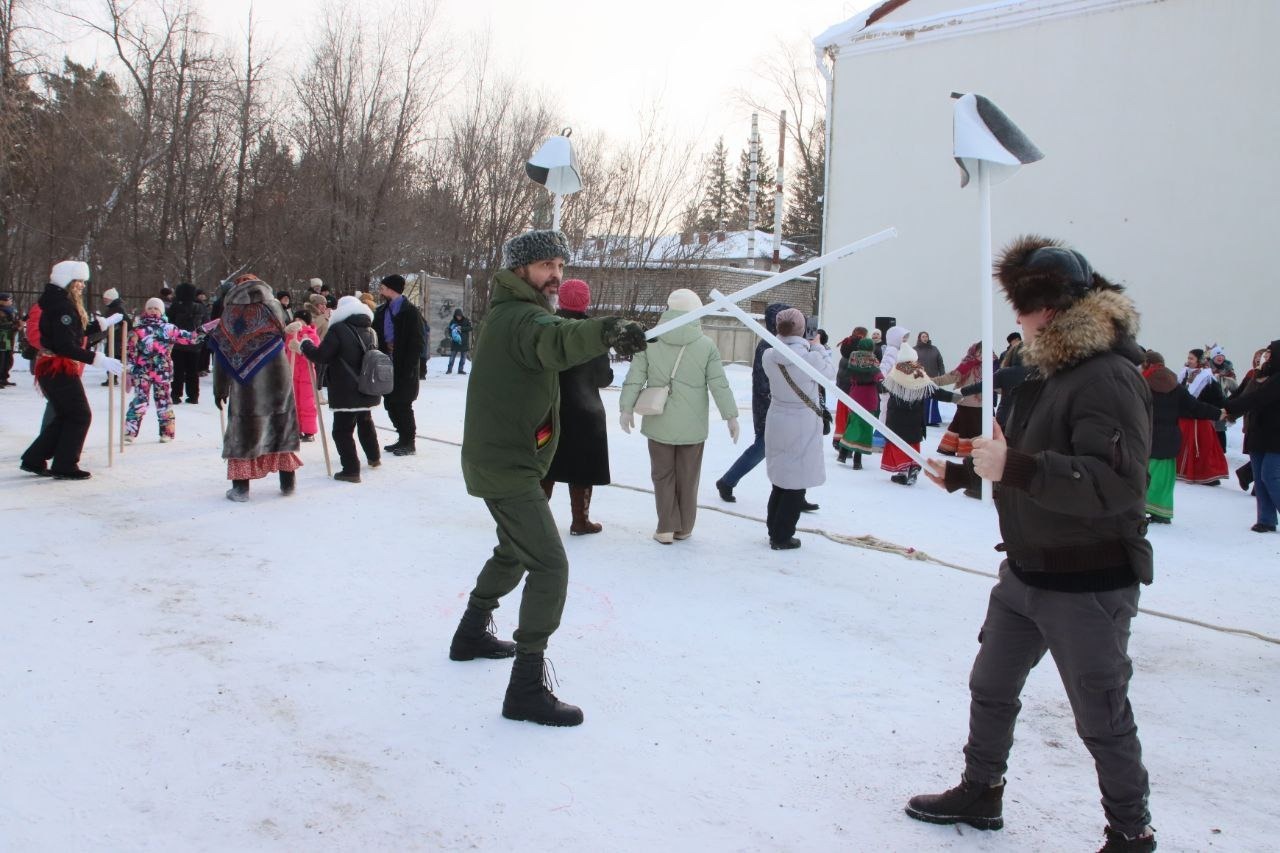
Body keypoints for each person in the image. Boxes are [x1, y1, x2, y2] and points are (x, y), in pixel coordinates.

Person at [908, 236, 1156, 853]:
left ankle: (1131, 832)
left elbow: (1116, 484)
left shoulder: (1106, 377)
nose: (1015, 321)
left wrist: (1012, 466)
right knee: (991, 687)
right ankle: (981, 791)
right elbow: (1023, 455)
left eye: (1020, 309)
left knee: (1101, 717)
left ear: (1045, 308)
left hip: (1088, 583)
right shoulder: (1047, 374)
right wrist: (968, 474)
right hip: (1023, 575)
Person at [450, 229, 646, 727]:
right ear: (520, 270)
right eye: (545, 266)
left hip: (504, 459)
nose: (555, 275)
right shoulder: (523, 318)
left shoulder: (512, 312)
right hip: (507, 465)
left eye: (560, 265)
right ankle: (526, 688)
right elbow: (557, 339)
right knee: (550, 565)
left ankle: (470, 633)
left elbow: (556, 338)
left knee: (515, 550)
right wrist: (606, 330)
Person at [620, 288, 739, 544]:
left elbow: (635, 378)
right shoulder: (706, 345)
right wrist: (731, 416)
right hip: (693, 425)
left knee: (662, 475)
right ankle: (684, 527)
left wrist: (626, 409)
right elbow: (719, 384)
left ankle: (665, 527)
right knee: (688, 476)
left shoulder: (650, 341)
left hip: (658, 419)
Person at [19, 261, 125, 479]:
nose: (82, 286)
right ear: (68, 281)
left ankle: (34, 458)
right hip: (58, 368)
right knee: (79, 415)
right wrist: (98, 359)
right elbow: (65, 345)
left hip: (53, 368)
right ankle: (65, 464)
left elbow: (71, 332)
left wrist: (101, 324)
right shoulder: (62, 307)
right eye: (79, 282)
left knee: (66, 415)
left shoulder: (59, 302)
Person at [209, 275, 302, 501]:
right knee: (281, 426)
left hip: (245, 383)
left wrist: (220, 388)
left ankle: (241, 489)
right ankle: (288, 483)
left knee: (244, 431)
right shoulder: (275, 307)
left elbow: (222, 351)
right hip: (277, 375)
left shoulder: (230, 312)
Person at [540, 279, 612, 535]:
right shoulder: (594, 332)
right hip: (585, 412)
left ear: (560, 299)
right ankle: (580, 521)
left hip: (548, 410)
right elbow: (603, 378)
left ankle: (536, 521)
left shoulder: (547, 326)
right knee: (583, 467)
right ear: (586, 301)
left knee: (545, 465)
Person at [760, 308, 832, 549]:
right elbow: (829, 373)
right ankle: (782, 536)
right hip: (802, 420)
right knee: (796, 482)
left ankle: (774, 529)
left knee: (780, 478)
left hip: (777, 416)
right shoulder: (811, 359)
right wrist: (818, 347)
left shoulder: (769, 355)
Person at [295, 295, 382, 482]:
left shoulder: (338, 330)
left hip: (345, 388)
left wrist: (305, 345)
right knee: (365, 422)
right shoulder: (371, 330)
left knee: (342, 431)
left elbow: (322, 356)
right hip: (367, 386)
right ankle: (374, 457)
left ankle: (351, 470)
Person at [714, 303, 789, 503]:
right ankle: (727, 481)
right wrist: (774, 404)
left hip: (781, 407)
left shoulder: (782, 344)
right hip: (769, 407)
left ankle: (794, 494)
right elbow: (764, 383)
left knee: (790, 450)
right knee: (762, 447)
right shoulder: (768, 346)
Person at [1140, 351, 1221, 524]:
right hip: (1170, 438)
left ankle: (1141, 508)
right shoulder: (1175, 385)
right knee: (1165, 478)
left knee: (1146, 475)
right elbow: (1195, 407)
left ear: (1147, 364)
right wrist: (1218, 413)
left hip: (1148, 436)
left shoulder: (1143, 383)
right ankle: (1162, 512)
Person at [124, 297, 204, 442]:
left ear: (162, 311)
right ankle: (130, 431)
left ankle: (167, 432)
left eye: (156, 308)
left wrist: (201, 331)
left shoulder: (169, 328)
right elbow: (131, 350)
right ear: (145, 311)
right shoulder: (138, 329)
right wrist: (129, 370)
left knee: (163, 401)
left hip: (162, 371)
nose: (153, 311)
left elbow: (189, 338)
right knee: (140, 399)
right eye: (150, 308)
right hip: (142, 370)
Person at [1223, 339, 1280, 533]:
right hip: (1257, 432)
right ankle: (1266, 519)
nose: (1265, 357)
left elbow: (1258, 398)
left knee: (1270, 475)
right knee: (1260, 478)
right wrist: (1223, 407)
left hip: (1276, 436)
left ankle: (1267, 518)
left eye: (1269, 354)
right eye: (1265, 354)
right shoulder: (1259, 375)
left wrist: (1228, 408)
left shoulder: (1277, 379)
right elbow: (1243, 395)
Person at [879, 344, 956, 486]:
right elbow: (934, 391)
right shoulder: (919, 373)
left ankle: (903, 471)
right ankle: (913, 465)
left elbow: (883, 387)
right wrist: (953, 397)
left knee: (897, 442)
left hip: (896, 416)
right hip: (915, 416)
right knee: (913, 442)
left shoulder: (896, 372)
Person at [372, 275, 425, 456]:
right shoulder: (381, 311)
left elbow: (417, 341)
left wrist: (410, 365)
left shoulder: (410, 312)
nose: (381, 290)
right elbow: (376, 334)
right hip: (386, 364)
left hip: (404, 365)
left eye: (383, 287)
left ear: (391, 289)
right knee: (390, 403)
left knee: (403, 404)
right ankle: (401, 437)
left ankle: (409, 441)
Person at [1174, 348, 1228, 484]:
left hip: (1200, 421)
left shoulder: (1207, 378)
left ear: (1199, 361)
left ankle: (1205, 475)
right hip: (1184, 419)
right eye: (1188, 358)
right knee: (1181, 447)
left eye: (1191, 358)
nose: (1189, 361)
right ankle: (1183, 471)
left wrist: (1214, 411)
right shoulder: (1184, 374)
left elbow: (1218, 399)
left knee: (1202, 449)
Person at [932, 342, 985, 457]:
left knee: (958, 425)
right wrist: (931, 382)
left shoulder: (989, 365)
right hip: (966, 401)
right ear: (974, 351)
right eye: (980, 352)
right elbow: (951, 377)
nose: (982, 355)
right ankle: (969, 451)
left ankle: (948, 447)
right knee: (971, 428)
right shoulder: (967, 364)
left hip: (981, 402)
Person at [836, 337, 881, 468]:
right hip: (869, 395)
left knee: (853, 423)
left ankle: (843, 453)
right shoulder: (873, 360)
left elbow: (848, 374)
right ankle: (857, 460)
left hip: (855, 393)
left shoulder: (853, 358)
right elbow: (878, 377)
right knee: (865, 427)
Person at [284, 310, 320, 442]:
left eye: (301, 320)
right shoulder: (291, 335)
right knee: (294, 402)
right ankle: (296, 428)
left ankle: (309, 431)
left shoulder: (311, 335)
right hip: (293, 372)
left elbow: (314, 353)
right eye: (296, 319)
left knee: (307, 402)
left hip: (307, 374)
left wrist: (300, 348)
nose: (298, 322)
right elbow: (286, 349)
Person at [167, 283, 205, 404]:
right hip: (195, 343)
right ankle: (193, 395)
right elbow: (205, 324)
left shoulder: (175, 306)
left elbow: (169, 323)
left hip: (177, 343)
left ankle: (175, 394)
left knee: (178, 370)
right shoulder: (200, 307)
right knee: (193, 371)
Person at [97, 287, 131, 388]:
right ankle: (113, 378)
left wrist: (118, 329)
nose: (104, 300)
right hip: (114, 337)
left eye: (106, 299)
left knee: (113, 356)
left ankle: (113, 378)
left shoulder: (117, 309)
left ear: (112, 299)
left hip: (117, 338)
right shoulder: (113, 308)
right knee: (113, 356)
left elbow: (127, 323)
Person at [914, 331, 946, 426]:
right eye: (923, 336)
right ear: (919, 338)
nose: (925, 338)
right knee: (921, 400)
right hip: (919, 379)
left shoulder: (934, 349)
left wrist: (942, 375)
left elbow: (940, 363)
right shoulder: (914, 350)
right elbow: (911, 364)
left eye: (926, 336)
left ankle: (932, 420)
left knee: (932, 399)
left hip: (933, 378)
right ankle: (920, 419)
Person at [446, 308, 472, 375]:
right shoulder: (453, 321)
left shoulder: (466, 320)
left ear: (462, 315)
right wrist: (451, 336)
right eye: (457, 316)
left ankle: (460, 370)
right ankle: (449, 370)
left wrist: (461, 328)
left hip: (464, 342)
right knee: (452, 357)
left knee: (463, 358)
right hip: (455, 342)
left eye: (460, 316)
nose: (459, 317)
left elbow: (470, 328)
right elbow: (449, 330)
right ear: (455, 315)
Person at [0, 292, 19, 387]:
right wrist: (13, 326)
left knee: (7, 358)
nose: (10, 301)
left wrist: (17, 324)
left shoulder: (11, 310)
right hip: (2, 338)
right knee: (1, 358)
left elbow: (13, 322)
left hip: (8, 338)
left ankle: (4, 378)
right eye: (8, 299)